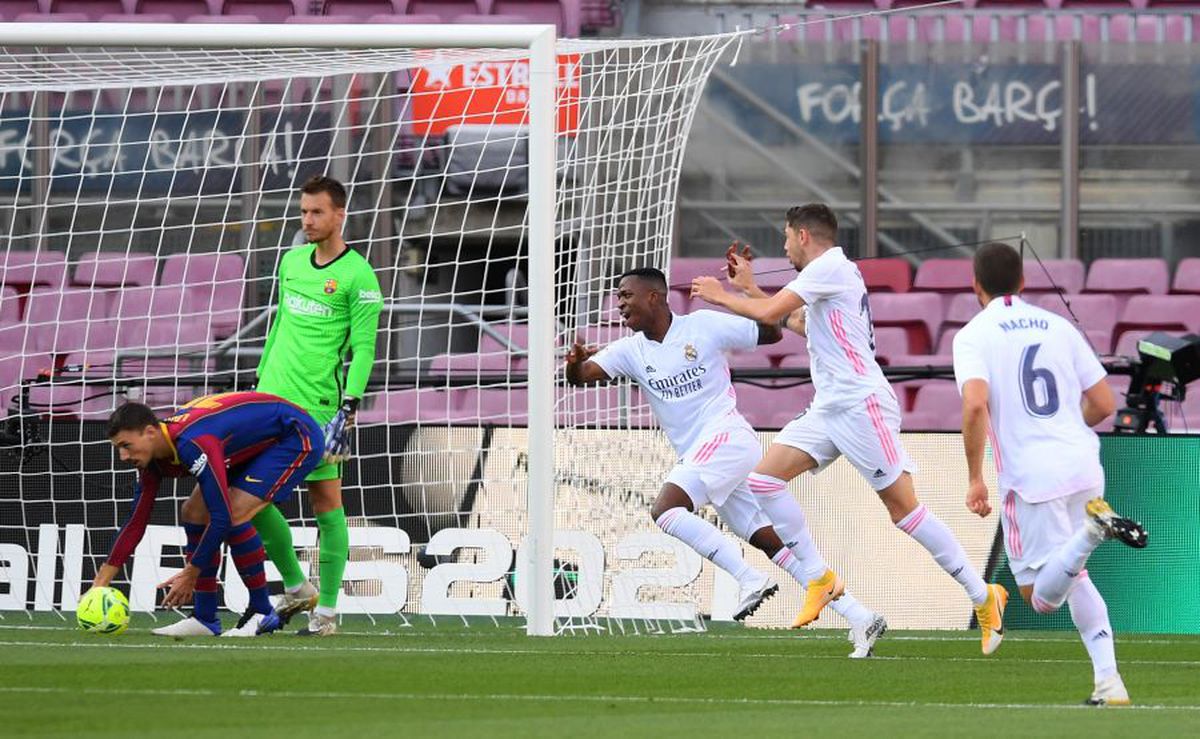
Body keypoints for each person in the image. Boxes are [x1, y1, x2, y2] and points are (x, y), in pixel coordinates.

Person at [691, 204, 1008, 655]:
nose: (784, 247)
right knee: (763, 481)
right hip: (830, 407)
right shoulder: (829, 275)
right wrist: (749, 288)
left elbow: (774, 312)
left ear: (803, 235)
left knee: (905, 512)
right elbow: (800, 323)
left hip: (861, 406)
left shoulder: (829, 268)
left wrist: (720, 295)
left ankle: (983, 595)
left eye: (786, 237)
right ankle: (819, 578)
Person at [567, 268, 886, 656]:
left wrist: (741, 294)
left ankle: (748, 578)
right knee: (773, 543)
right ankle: (860, 616)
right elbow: (581, 376)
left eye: (626, 295)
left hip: (727, 438)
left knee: (666, 510)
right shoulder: (630, 351)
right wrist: (574, 362)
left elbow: (770, 333)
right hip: (706, 455)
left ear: (654, 296)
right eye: (618, 297)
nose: (619, 304)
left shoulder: (703, 326)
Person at [953, 241, 1148, 705]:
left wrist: (975, 477)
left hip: (1031, 477)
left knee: (1039, 597)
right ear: (1023, 281)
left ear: (975, 285)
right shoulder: (1058, 326)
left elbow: (975, 404)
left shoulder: (973, 335)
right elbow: (1104, 403)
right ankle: (1109, 682)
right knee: (1075, 576)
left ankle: (1092, 533)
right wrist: (1065, 430)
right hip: (1083, 464)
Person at [252, 175, 384, 637]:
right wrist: (259, 380)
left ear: (339, 215)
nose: (307, 220)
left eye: (317, 212)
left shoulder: (359, 276)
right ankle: (295, 584)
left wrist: (349, 405)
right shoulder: (290, 262)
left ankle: (325, 611)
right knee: (243, 492)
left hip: (319, 406)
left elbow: (364, 349)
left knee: (326, 502)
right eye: (304, 212)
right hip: (270, 398)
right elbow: (279, 326)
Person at [93, 393, 325, 637]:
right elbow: (136, 521)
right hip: (252, 443)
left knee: (233, 513)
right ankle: (204, 618)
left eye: (126, 446)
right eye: (118, 448)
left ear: (150, 432)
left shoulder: (194, 443)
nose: (123, 456)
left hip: (295, 434)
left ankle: (261, 610)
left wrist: (191, 572)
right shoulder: (155, 458)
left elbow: (221, 518)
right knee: (193, 512)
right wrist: (100, 583)